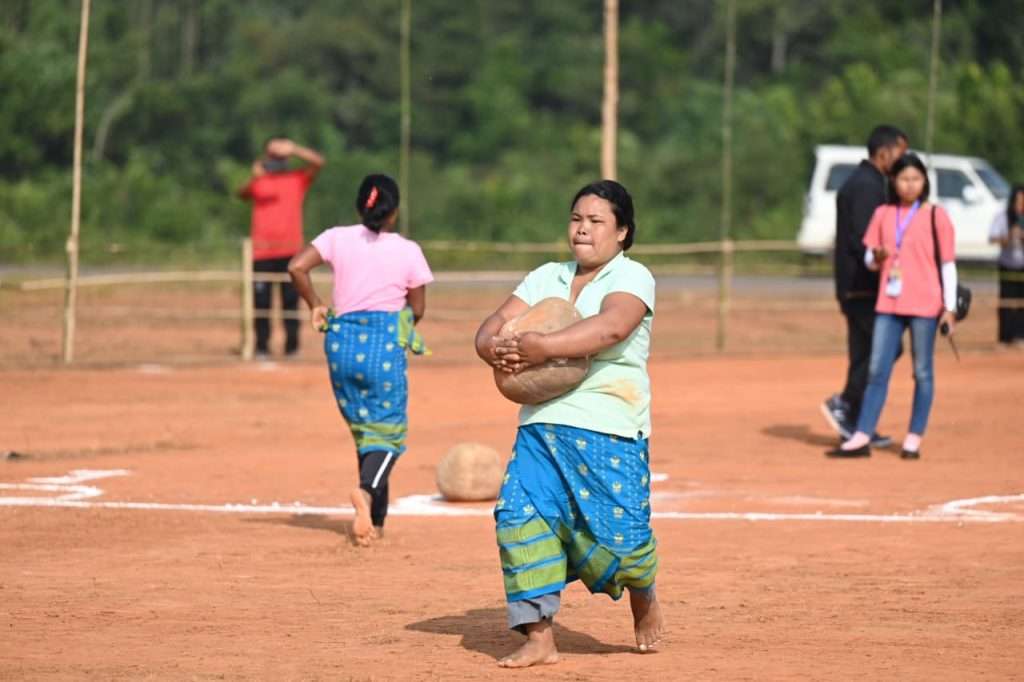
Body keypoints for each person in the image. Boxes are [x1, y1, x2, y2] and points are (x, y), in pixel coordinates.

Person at [474, 180, 662, 667]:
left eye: (596, 221)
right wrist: (491, 345)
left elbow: (612, 327)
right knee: (517, 518)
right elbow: (493, 323)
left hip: (609, 426)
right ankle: (539, 637)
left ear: (622, 232)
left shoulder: (633, 276)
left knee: (621, 544)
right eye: (577, 218)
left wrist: (543, 347)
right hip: (542, 426)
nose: (583, 228)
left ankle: (643, 594)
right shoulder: (546, 277)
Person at [288, 174, 433, 545]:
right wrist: (403, 325)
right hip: (382, 348)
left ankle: (375, 524)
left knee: (366, 430)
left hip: (341, 346)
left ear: (359, 206)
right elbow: (417, 307)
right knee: (389, 433)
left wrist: (316, 305)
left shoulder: (336, 237)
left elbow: (296, 267)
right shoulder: (407, 250)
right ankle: (366, 492)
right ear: (394, 212)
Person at [829, 153, 958, 460]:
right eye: (903, 179)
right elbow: (869, 259)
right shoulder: (883, 214)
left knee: (922, 371)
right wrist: (878, 256)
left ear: (924, 181)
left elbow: (948, 264)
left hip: (925, 304)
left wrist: (949, 307)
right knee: (877, 370)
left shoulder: (935, 215)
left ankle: (914, 437)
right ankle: (861, 434)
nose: (909, 185)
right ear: (893, 181)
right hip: (889, 301)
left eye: (915, 179)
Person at [239, 137, 325, 358]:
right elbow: (242, 194)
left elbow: (319, 163)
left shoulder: (296, 179)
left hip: (290, 252)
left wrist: (294, 148)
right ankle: (261, 347)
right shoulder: (260, 181)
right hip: (261, 252)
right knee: (261, 303)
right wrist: (256, 175)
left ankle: (292, 347)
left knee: (290, 303)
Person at [989, 185, 1024, 346]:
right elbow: (992, 238)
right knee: (1006, 301)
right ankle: (1005, 337)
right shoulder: (1002, 217)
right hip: (1007, 264)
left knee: (1021, 302)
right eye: (1018, 201)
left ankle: (1020, 336)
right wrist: (1009, 237)